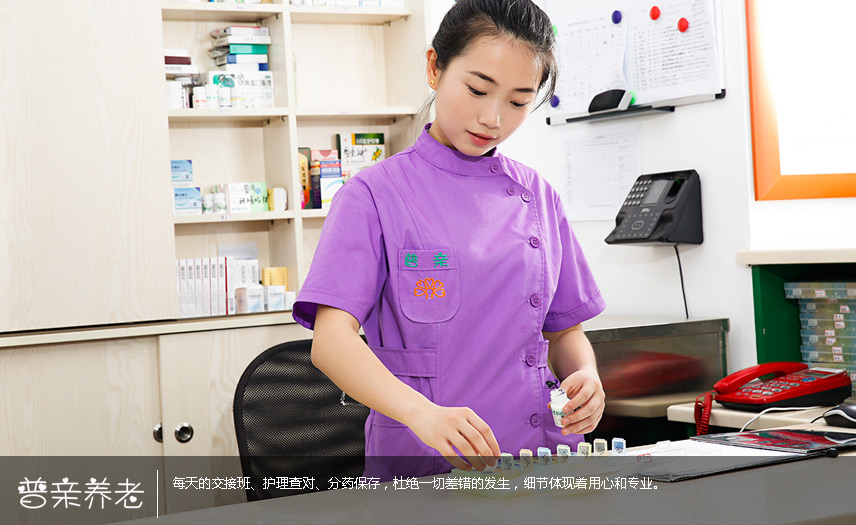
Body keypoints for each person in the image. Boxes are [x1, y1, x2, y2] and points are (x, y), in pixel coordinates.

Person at [293, 0, 606, 480]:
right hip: (425, 459)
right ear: (434, 67)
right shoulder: (373, 195)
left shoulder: (538, 195)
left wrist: (585, 376)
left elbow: (564, 331)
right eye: (478, 90)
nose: (493, 118)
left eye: (518, 101)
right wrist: (421, 414)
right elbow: (331, 343)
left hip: (538, 453)